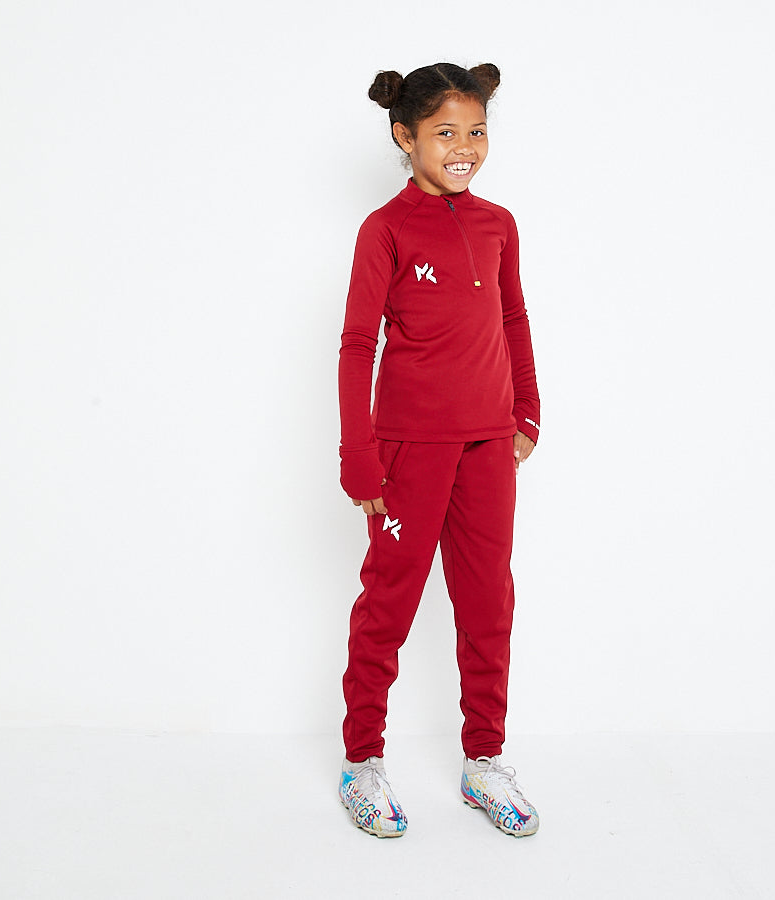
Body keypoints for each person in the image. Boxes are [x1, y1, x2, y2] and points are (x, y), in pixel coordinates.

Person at [337, 62, 541, 838]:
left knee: (489, 603)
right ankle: (362, 762)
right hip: (408, 450)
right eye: (446, 133)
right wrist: (358, 455)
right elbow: (358, 344)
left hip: (488, 445)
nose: (465, 148)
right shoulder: (384, 230)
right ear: (405, 136)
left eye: (477, 131)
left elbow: (513, 319)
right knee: (388, 603)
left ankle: (484, 760)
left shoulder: (498, 224)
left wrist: (526, 411)